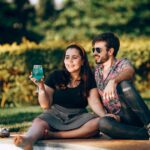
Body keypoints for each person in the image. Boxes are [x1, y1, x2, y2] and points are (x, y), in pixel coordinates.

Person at [14, 43, 108, 150]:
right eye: (67, 58)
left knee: (97, 123)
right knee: (39, 122)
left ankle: (54, 135)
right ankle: (28, 140)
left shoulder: (89, 78)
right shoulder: (55, 76)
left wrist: (105, 116)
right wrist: (41, 86)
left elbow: (94, 102)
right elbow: (45, 105)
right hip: (55, 115)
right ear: (64, 60)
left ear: (82, 61)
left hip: (78, 117)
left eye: (74, 57)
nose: (70, 61)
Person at [92, 32, 150, 140]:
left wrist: (113, 81)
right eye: (93, 50)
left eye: (98, 50)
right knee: (103, 123)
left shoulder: (122, 63)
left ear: (110, 51)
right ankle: (145, 134)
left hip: (131, 113)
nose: (94, 53)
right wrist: (104, 114)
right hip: (117, 119)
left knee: (123, 84)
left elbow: (129, 71)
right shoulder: (96, 72)